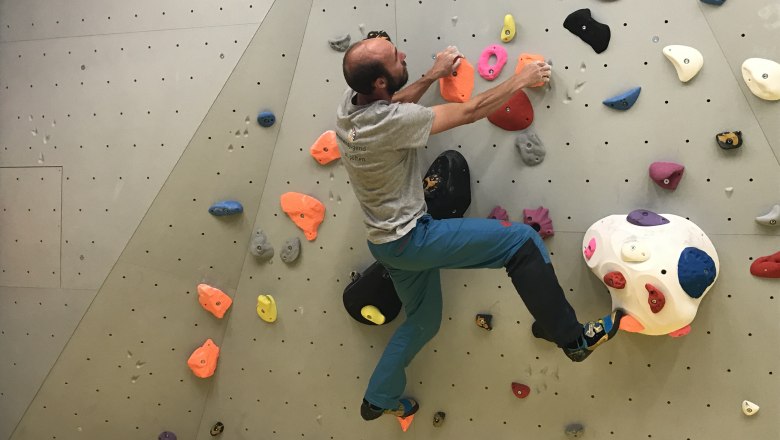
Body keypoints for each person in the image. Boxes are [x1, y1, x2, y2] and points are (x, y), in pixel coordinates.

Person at [334, 32, 624, 422]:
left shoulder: (350, 108)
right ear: (380, 82)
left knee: (423, 321)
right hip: (411, 240)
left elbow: (393, 106)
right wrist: (521, 79)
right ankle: (572, 339)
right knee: (520, 243)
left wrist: (433, 75)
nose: (403, 54)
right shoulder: (389, 120)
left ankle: (379, 397)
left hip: (385, 245)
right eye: (395, 58)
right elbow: (470, 112)